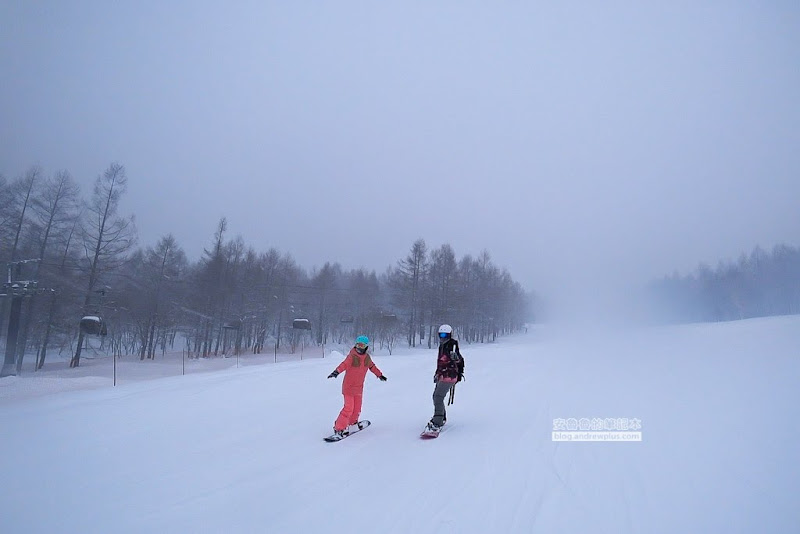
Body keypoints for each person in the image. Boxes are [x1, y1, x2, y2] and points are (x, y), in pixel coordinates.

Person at [327, 335, 387, 438]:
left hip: (359, 388)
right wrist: (336, 372)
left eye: (362, 345)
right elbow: (344, 364)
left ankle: (352, 424)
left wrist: (379, 375)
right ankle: (339, 428)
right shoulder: (352, 356)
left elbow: (372, 366)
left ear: (366, 347)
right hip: (349, 387)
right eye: (358, 344)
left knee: (357, 408)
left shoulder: (367, 358)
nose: (360, 347)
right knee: (348, 408)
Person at [426, 324, 464, 432]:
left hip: (449, 376)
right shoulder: (442, 346)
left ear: (450, 335)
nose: (443, 337)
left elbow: (459, 359)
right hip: (443, 375)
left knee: (438, 397)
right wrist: (437, 374)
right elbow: (440, 364)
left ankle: (437, 421)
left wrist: (455, 358)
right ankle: (441, 417)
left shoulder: (452, 344)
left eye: (445, 335)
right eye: (441, 335)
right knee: (437, 396)